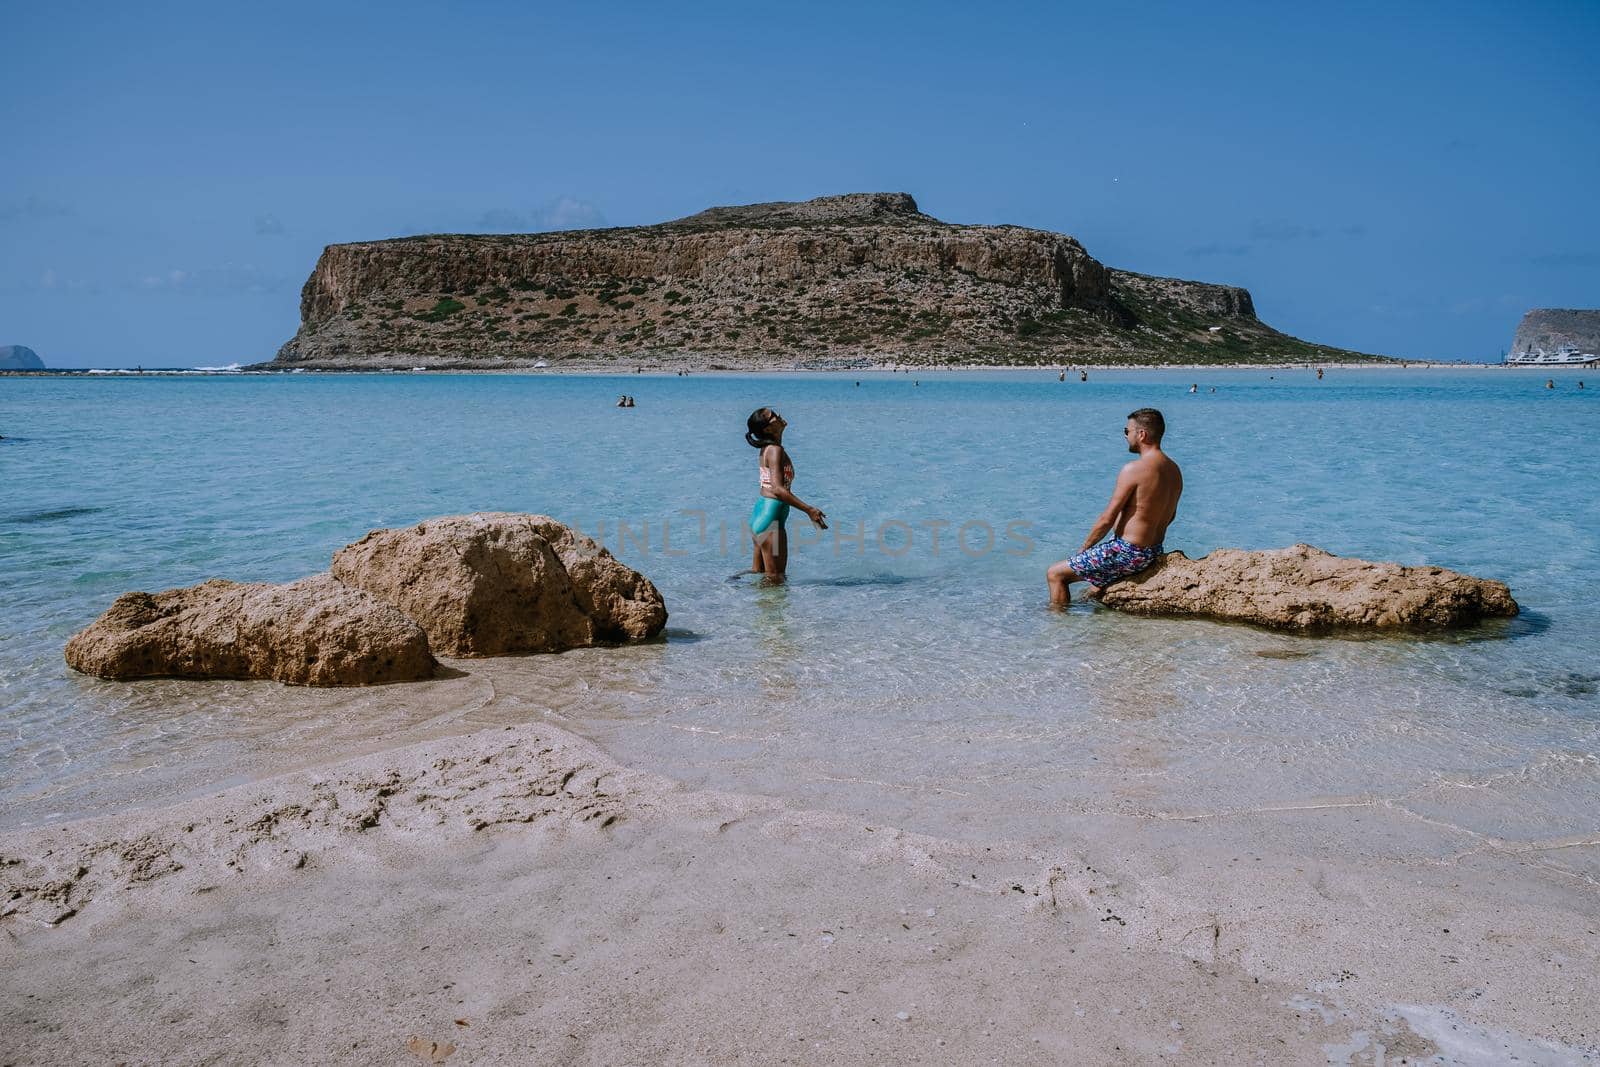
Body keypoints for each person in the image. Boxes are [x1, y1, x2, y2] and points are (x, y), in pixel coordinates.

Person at [1047, 408, 1183, 607]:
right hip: (1153, 550)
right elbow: (1171, 516)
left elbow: (1106, 519)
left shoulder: (1134, 469)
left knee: (1055, 574)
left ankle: (1059, 628)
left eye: (1127, 431)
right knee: (1093, 588)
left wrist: (1083, 551)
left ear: (1141, 434)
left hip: (1128, 553)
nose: (1126, 436)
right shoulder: (1174, 470)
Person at [745, 407, 827, 582]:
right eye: (772, 416)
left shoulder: (768, 448)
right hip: (771, 520)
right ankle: (771, 610)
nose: (778, 415)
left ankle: (745, 607)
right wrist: (809, 510)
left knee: (760, 576)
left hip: (762, 514)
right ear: (767, 429)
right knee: (776, 581)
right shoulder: (774, 450)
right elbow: (778, 489)